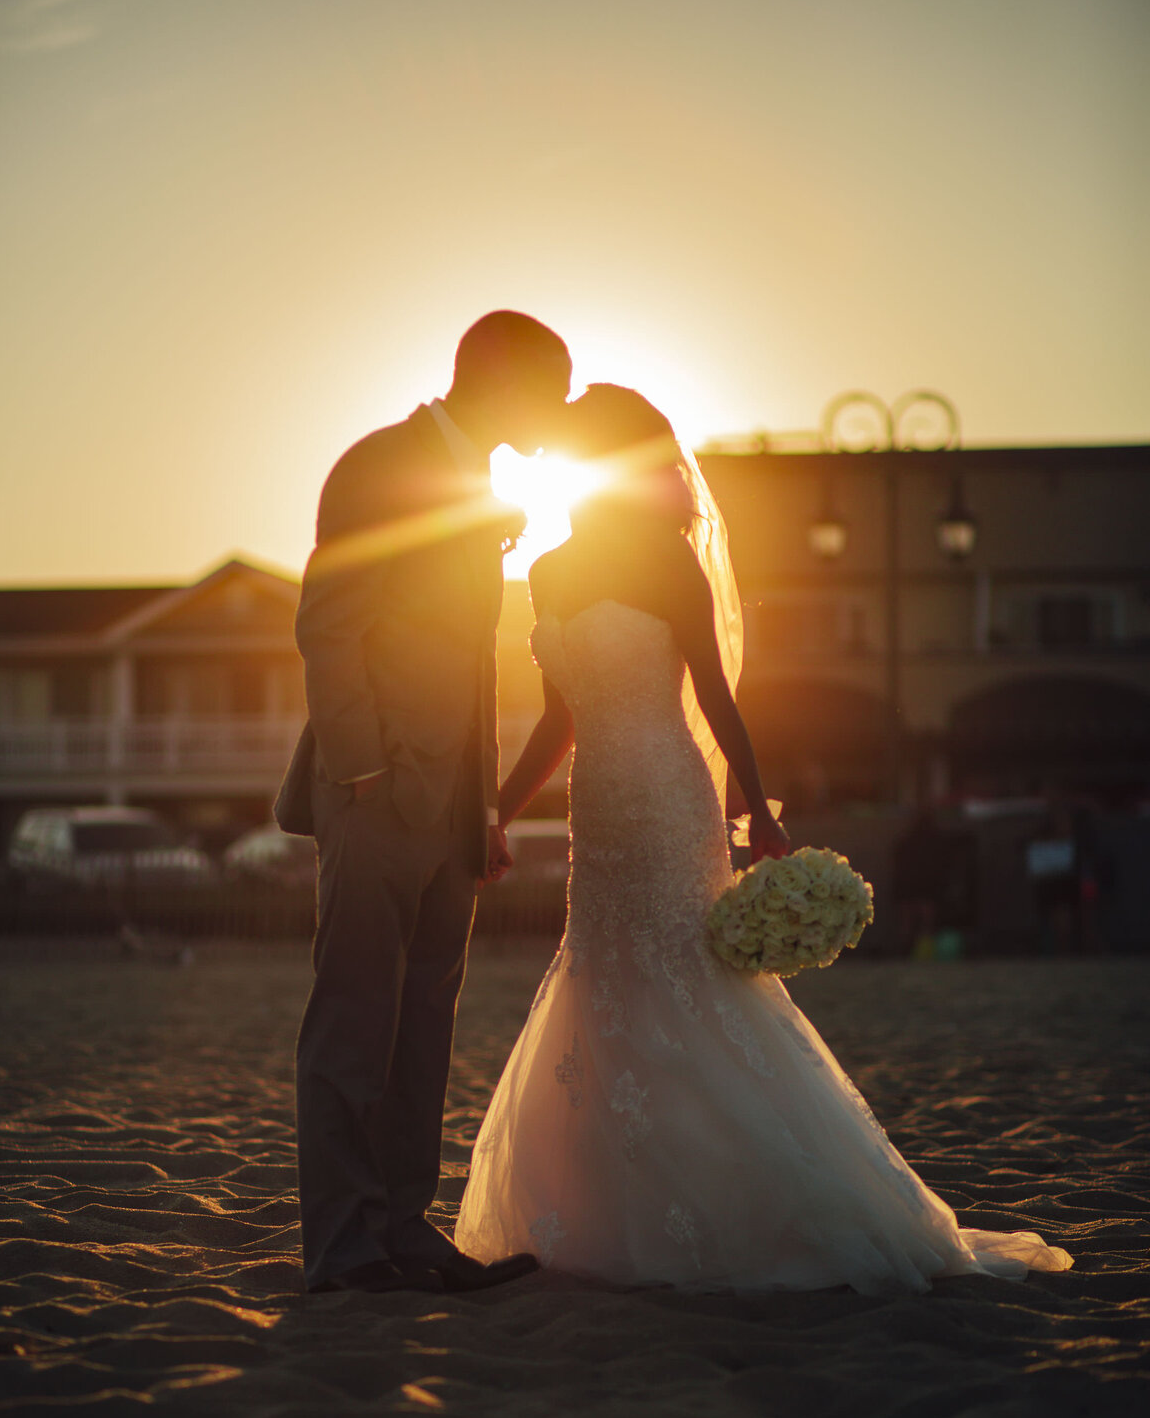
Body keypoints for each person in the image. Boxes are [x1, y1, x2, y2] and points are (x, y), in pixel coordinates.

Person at [456, 385, 1072, 1293]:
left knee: (691, 979)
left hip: (671, 798)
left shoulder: (671, 565)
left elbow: (716, 700)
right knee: (606, 974)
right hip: (600, 815)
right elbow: (559, 721)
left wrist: (762, 812)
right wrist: (501, 806)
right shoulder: (546, 572)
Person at [276, 311, 573, 1294]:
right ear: (500, 379)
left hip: (450, 808)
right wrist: (362, 770)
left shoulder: (480, 488)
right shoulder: (380, 466)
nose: (560, 410)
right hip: (376, 795)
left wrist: (483, 804)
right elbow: (329, 625)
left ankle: (403, 1228)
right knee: (356, 1020)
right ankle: (345, 1247)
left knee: (425, 1028)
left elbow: (472, 669)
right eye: (552, 387)